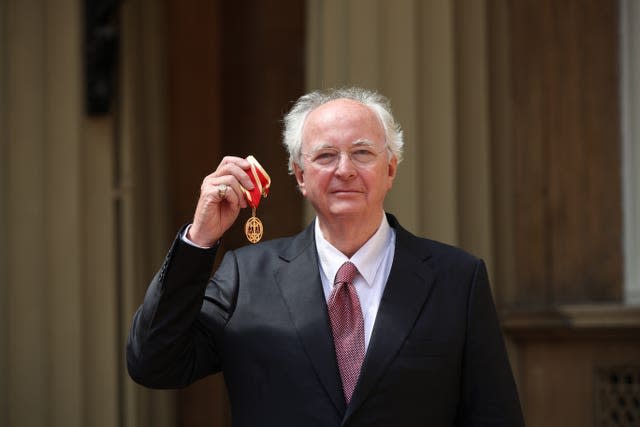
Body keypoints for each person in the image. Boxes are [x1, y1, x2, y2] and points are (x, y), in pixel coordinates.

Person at [127, 87, 525, 426]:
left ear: (391, 169)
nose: (345, 170)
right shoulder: (245, 278)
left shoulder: (457, 279)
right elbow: (153, 362)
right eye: (325, 156)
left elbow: (494, 415)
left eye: (363, 153)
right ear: (300, 175)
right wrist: (200, 238)